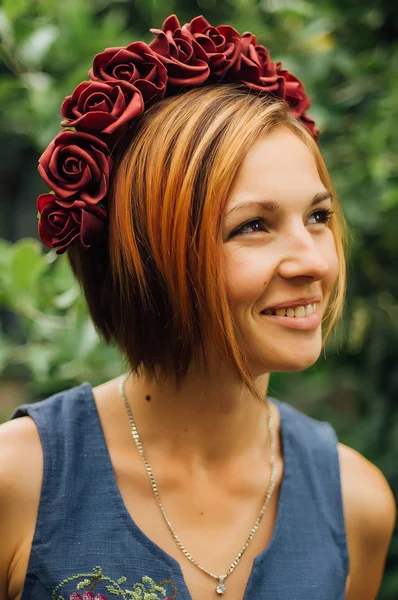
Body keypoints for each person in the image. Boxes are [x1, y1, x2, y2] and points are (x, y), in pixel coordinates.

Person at [0, 14, 395, 600]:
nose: (311, 260)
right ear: (151, 256)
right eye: (254, 226)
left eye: (318, 217)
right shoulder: (21, 484)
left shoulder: (356, 502)